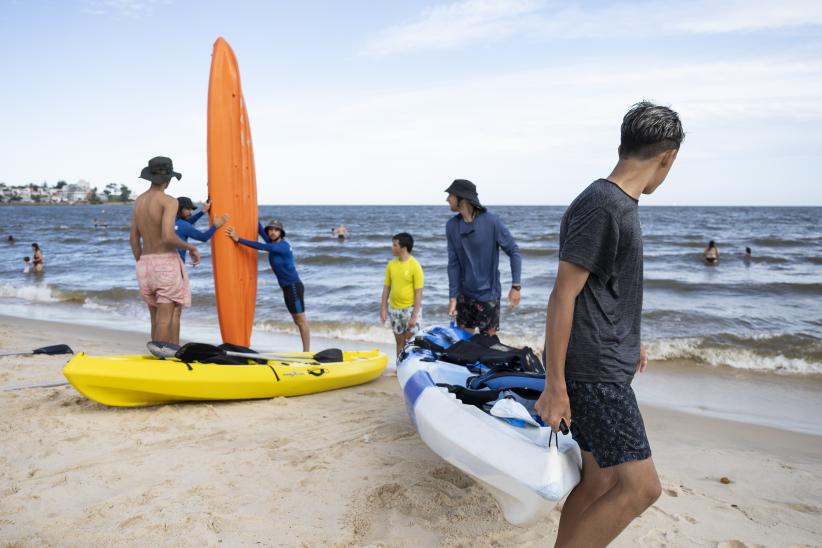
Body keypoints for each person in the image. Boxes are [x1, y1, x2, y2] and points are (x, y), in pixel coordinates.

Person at [534, 102, 683, 547]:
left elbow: (605, 289)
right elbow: (563, 295)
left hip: (603, 365)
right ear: (667, 157)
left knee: (598, 482)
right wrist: (554, 385)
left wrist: (631, 340)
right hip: (594, 375)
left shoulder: (617, 204)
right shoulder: (603, 204)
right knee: (642, 487)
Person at [130, 156, 200, 351]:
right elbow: (168, 236)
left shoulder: (139, 201)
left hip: (144, 263)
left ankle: (157, 360)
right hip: (165, 264)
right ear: (168, 180)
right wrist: (192, 248)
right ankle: (163, 363)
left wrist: (142, 261)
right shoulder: (168, 201)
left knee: (155, 319)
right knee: (165, 319)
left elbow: (134, 239)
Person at [445, 179, 522, 336]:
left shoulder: (491, 222)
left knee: (487, 347)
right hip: (464, 296)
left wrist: (516, 286)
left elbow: (514, 251)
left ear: (462, 198)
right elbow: (453, 264)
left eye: (450, 195)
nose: (447, 199)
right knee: (465, 346)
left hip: (488, 296)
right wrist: (453, 297)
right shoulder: (451, 226)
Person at [226, 219, 310, 351]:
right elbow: (260, 229)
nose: (272, 232)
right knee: (297, 320)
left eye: (276, 230)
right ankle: (305, 350)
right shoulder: (273, 242)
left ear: (281, 233)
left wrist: (238, 239)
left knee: (301, 320)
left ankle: (307, 352)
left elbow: (262, 247)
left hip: (294, 287)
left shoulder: (282, 246)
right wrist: (253, 214)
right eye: (270, 229)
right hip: (287, 288)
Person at [380, 232, 424, 357]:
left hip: (409, 310)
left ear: (403, 248)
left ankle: (409, 370)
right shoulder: (391, 265)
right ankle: (398, 369)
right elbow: (386, 288)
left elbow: (418, 292)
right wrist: (383, 308)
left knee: (410, 343)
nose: (392, 247)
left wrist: (414, 315)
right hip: (394, 310)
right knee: (399, 342)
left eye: (394, 245)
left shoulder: (415, 265)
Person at [175, 197, 229, 263]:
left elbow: (187, 222)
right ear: (179, 209)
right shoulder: (183, 225)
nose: (190, 212)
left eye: (191, 209)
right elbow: (203, 237)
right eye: (188, 209)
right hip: (176, 265)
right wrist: (215, 226)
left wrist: (202, 212)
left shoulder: (169, 221)